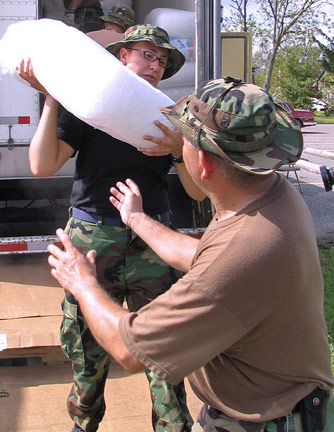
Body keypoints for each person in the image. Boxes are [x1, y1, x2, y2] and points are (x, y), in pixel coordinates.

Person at [48, 77, 334, 432]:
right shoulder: (271, 198)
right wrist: (137, 219)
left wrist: (83, 282)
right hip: (282, 406)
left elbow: (128, 349)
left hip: (265, 422)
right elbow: (204, 254)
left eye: (183, 137)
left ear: (204, 163)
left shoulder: (241, 254)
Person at [19, 24, 205, 432]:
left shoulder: (172, 117)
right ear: (123, 58)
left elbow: (196, 192)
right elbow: (41, 164)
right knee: (88, 353)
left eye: (161, 60)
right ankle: (83, 424)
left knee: (163, 353)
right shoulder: (93, 106)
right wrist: (53, 97)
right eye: (145, 55)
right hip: (92, 242)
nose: (153, 66)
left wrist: (178, 149)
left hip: (152, 243)